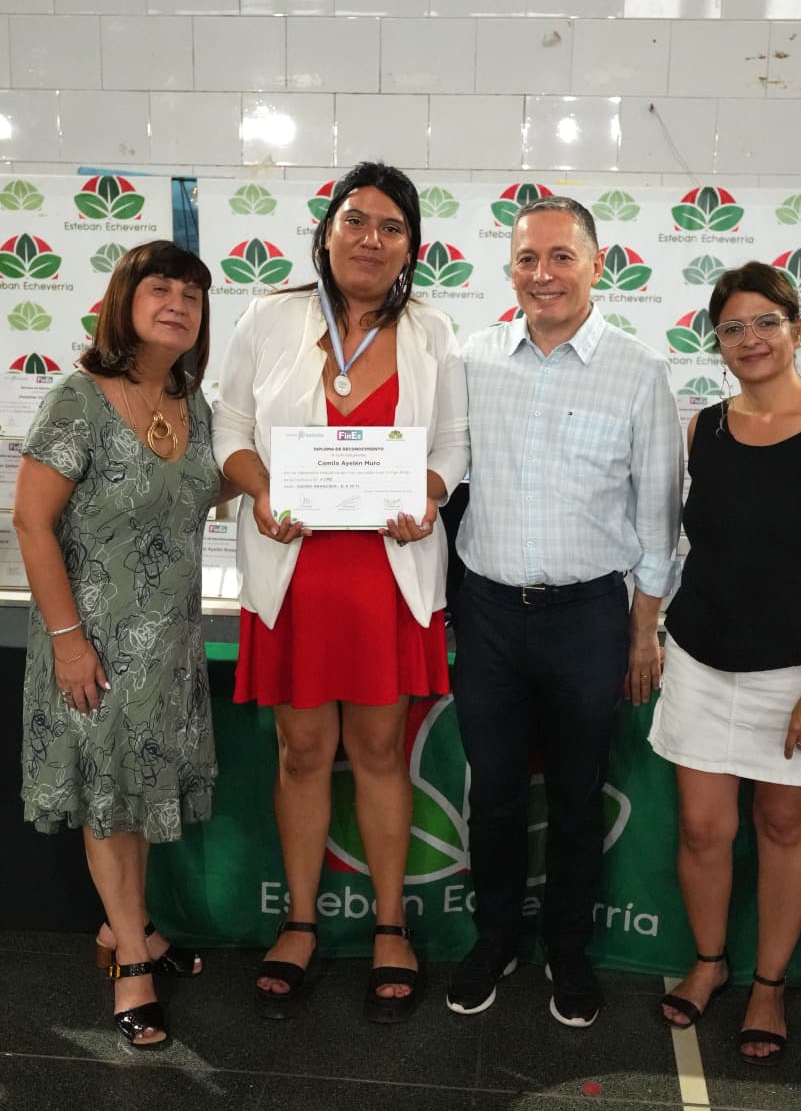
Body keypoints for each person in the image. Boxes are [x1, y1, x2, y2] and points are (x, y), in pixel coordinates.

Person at [212, 161, 469, 1024]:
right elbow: (230, 427)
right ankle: (299, 921)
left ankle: (391, 925)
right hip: (295, 572)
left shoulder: (432, 330)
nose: (370, 238)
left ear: (411, 248)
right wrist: (259, 491)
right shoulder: (269, 316)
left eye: (391, 227)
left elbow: (453, 445)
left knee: (381, 751)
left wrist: (427, 492)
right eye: (355, 220)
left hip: (386, 575)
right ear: (326, 233)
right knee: (301, 751)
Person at [448, 196, 684, 1027]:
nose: (541, 274)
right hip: (485, 613)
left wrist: (643, 627)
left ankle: (569, 948)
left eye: (559, 257)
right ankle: (494, 939)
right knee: (494, 793)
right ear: (508, 268)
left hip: (588, 616)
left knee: (579, 795)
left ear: (596, 264)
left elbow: (658, 514)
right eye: (526, 259)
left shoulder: (638, 368)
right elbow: (435, 467)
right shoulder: (470, 358)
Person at [650, 261, 801, 1065]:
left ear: (795, 329)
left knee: (782, 824)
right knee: (701, 827)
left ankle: (769, 983)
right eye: (732, 327)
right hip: (699, 659)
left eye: (764, 323)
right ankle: (709, 960)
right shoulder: (702, 429)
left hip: (798, 671)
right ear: (715, 341)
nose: (749, 339)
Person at [14, 240, 229, 1049]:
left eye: (192, 295)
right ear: (123, 302)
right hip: (93, 645)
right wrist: (69, 642)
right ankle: (132, 962)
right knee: (107, 797)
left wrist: (299, 490)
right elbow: (31, 521)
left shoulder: (191, 399)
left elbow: (213, 487)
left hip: (169, 647)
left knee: (134, 794)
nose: (178, 304)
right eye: (160, 288)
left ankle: (125, 925)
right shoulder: (79, 398)